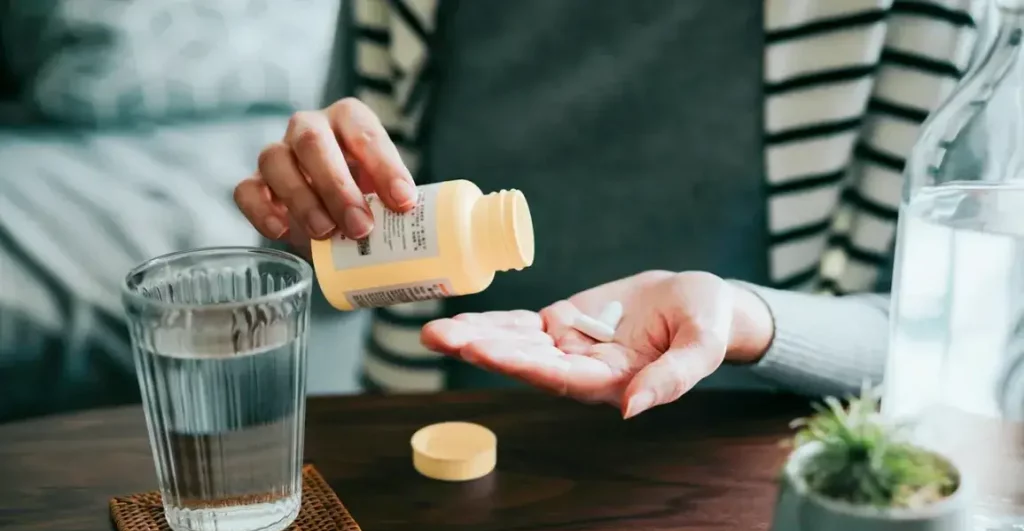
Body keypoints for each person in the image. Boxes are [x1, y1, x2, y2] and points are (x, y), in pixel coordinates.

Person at [233, 0, 987, 415]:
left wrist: (741, 316)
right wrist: (310, 228)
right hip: (442, 443)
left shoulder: (923, 14)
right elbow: (341, 267)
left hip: (754, 478)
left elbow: (948, 349)